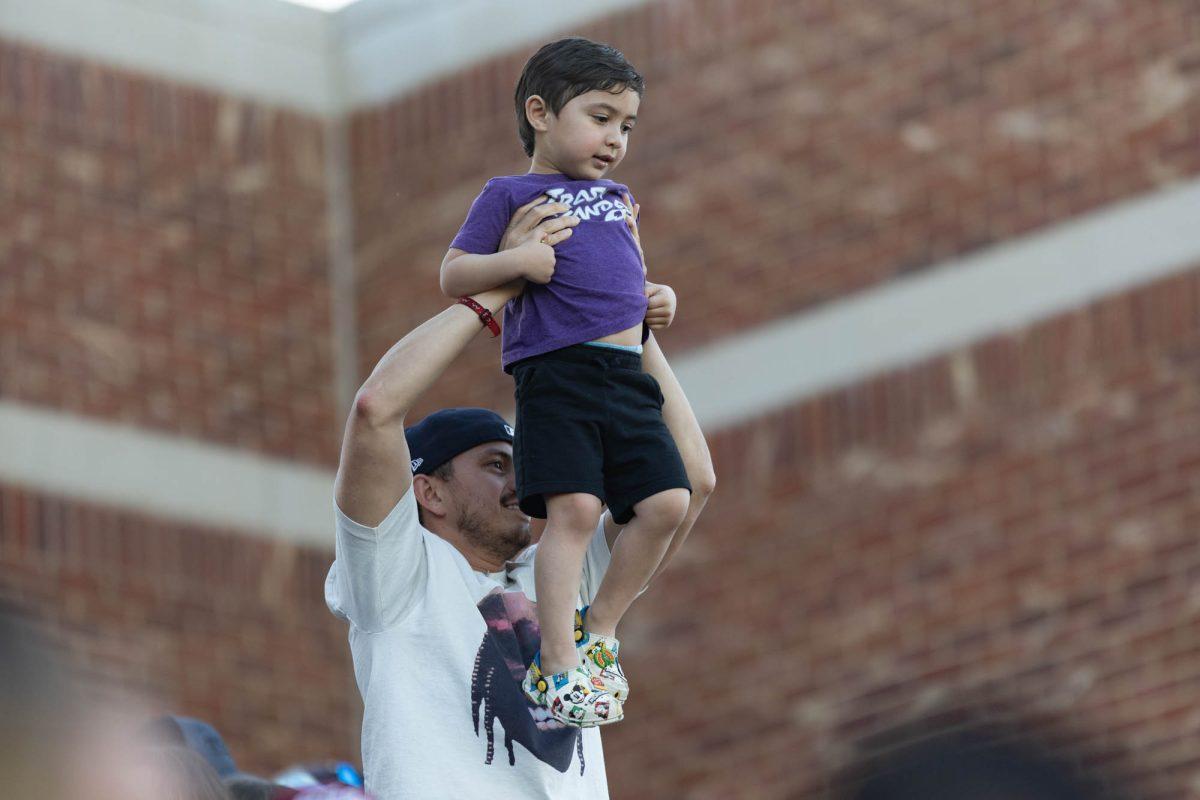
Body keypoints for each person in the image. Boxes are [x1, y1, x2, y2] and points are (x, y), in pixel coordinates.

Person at [325, 201, 714, 798]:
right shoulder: (397, 579)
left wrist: (627, 319)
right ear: (427, 491)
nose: (520, 481)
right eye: (494, 465)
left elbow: (691, 481)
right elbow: (376, 410)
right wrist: (501, 285)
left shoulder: (560, 572)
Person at [439, 36, 692, 727]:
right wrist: (518, 259)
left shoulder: (618, 199)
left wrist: (654, 299)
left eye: (627, 126)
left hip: (624, 374)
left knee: (668, 501)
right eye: (601, 117)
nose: (615, 139)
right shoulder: (510, 193)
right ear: (541, 112)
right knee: (575, 513)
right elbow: (454, 273)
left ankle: (599, 630)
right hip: (557, 376)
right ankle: (555, 664)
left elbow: (623, 281)